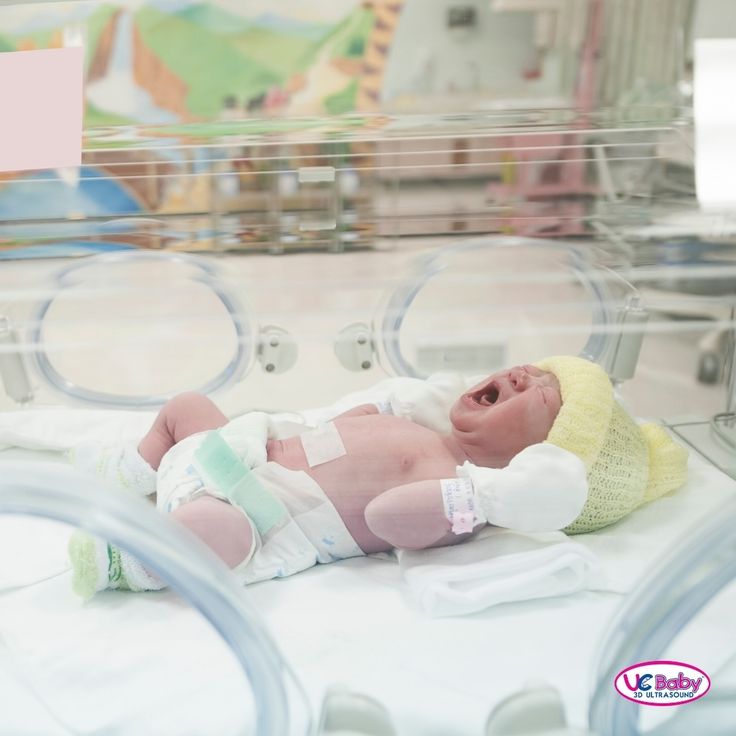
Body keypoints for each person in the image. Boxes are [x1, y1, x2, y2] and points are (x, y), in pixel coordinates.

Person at [68, 356, 688, 598]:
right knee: (186, 405)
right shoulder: (421, 430)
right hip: (236, 457)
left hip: (260, 516)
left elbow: (384, 519)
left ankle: (129, 563)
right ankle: (134, 470)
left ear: (536, 464)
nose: (525, 373)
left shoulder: (454, 492)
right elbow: (334, 426)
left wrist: (480, 499)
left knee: (214, 532)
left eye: (545, 399)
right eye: (533, 368)